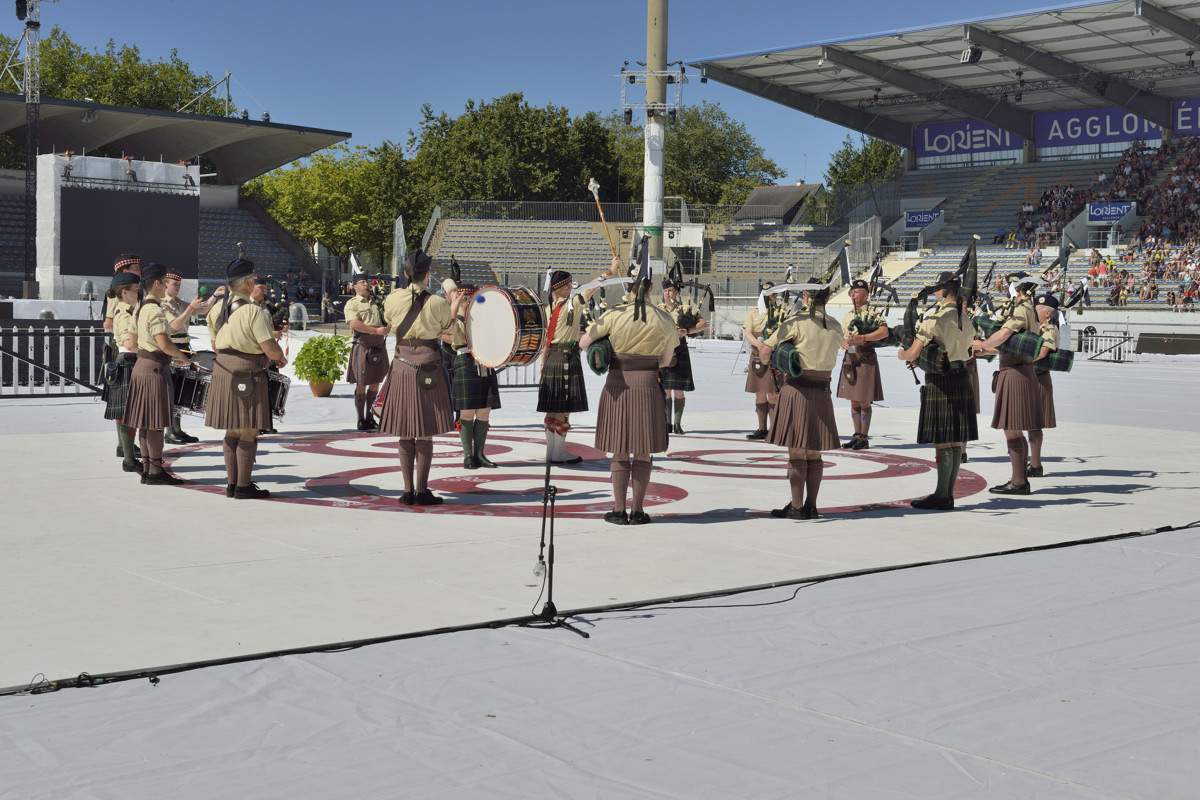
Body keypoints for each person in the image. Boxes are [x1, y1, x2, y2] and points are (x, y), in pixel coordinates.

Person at [578, 268, 677, 525]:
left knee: (620, 450)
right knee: (643, 451)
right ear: (651, 289)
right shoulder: (665, 319)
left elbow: (584, 343)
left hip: (618, 384)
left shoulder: (614, 315)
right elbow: (666, 361)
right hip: (648, 384)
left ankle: (619, 510)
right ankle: (640, 511)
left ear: (629, 290)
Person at [378, 251, 465, 506]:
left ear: (405, 274)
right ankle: (422, 491)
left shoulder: (392, 300)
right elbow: (450, 331)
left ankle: (407, 492)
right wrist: (456, 308)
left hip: (402, 365)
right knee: (425, 433)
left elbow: (390, 322)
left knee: (405, 432)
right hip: (429, 365)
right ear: (427, 274)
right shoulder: (438, 303)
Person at [758, 278, 844, 520]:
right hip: (822, 390)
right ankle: (812, 506)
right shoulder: (837, 325)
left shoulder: (796, 322)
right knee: (814, 452)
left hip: (797, 390)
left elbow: (765, 351)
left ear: (807, 297)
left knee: (797, 451)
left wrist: (773, 360)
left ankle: (796, 506)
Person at [205, 259, 288, 499]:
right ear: (249, 281)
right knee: (249, 430)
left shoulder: (219, 307)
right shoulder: (253, 310)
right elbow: (268, 346)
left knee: (232, 429)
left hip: (222, 367)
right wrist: (279, 358)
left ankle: (232, 484)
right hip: (246, 371)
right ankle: (243, 485)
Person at [897, 272, 978, 510]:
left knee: (942, 443)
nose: (934, 293)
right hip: (962, 377)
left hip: (941, 382)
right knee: (953, 442)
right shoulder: (965, 317)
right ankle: (947, 494)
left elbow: (912, 353)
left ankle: (942, 496)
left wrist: (903, 354)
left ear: (942, 292)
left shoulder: (935, 319)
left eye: (936, 290)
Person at [971, 273, 1044, 495]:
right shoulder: (1030, 310)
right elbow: (1011, 345)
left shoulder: (1022, 309)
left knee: (1011, 429)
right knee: (1014, 430)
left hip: (1015, 373)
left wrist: (982, 344)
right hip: (1019, 368)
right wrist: (983, 350)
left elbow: (1003, 335)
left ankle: (1019, 481)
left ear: (1019, 290)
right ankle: (1019, 479)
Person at [538, 261, 616, 464]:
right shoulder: (572, 304)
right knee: (563, 408)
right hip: (566, 357)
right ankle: (559, 452)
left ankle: (552, 452)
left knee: (551, 407)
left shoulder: (549, 308)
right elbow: (591, 288)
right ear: (564, 288)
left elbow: (546, 339)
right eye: (570, 286)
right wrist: (609, 271)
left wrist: (543, 362)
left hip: (552, 358)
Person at [124, 264, 190, 485]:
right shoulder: (155, 309)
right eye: (163, 281)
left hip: (141, 366)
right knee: (155, 423)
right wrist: (182, 357)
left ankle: (147, 469)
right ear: (157, 284)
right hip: (154, 368)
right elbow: (164, 343)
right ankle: (155, 472)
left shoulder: (140, 308)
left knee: (144, 422)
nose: (164, 286)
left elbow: (132, 344)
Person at [443, 277, 501, 469]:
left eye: (470, 299)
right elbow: (451, 331)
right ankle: (468, 455)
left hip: (485, 362)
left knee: (484, 411)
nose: (468, 302)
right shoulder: (455, 318)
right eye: (465, 299)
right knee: (466, 413)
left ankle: (480, 454)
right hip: (465, 362)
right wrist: (457, 304)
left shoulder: (483, 318)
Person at [160, 269, 222, 444]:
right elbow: (175, 325)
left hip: (184, 346)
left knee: (180, 390)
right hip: (172, 347)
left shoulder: (179, 302)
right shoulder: (163, 304)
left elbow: (202, 310)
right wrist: (190, 309)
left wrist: (214, 296)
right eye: (175, 284)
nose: (178, 287)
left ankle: (177, 429)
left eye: (180, 284)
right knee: (171, 390)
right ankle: (170, 430)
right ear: (165, 284)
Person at [837, 279, 889, 450]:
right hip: (851, 357)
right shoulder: (848, 315)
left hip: (865, 357)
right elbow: (843, 336)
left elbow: (883, 331)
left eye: (857, 292)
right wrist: (843, 343)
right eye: (852, 292)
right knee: (853, 400)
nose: (853, 294)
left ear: (866, 296)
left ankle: (864, 438)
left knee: (864, 400)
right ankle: (856, 435)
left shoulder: (873, 313)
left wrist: (863, 338)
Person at [656, 274, 707, 435]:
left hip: (679, 349)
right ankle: (666, 423)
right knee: (665, 390)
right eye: (665, 290)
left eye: (670, 290)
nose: (667, 293)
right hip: (663, 349)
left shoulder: (685, 309)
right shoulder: (657, 308)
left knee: (678, 390)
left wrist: (687, 331)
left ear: (677, 292)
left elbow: (703, 324)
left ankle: (677, 424)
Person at [104, 271, 143, 474]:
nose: (140, 293)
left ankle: (126, 451)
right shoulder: (125, 314)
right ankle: (129, 459)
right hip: (128, 361)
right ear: (125, 292)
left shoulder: (129, 310)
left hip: (128, 362)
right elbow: (130, 343)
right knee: (129, 414)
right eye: (136, 290)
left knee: (127, 413)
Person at [343, 275, 390, 432]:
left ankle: (370, 418)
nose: (365, 284)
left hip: (378, 345)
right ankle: (360, 419)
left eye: (366, 282)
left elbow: (387, 318)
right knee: (362, 383)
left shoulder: (377, 302)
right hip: (363, 344)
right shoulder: (352, 303)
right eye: (361, 283)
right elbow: (354, 323)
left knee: (376, 382)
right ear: (355, 287)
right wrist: (376, 330)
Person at [742, 281, 783, 440]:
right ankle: (762, 429)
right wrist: (760, 345)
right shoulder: (754, 312)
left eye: (773, 294)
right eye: (768, 294)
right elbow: (748, 332)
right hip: (757, 354)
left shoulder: (780, 312)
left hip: (774, 354)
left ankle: (774, 430)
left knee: (773, 394)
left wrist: (769, 346)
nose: (771, 297)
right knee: (759, 393)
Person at [1028, 295, 1061, 478]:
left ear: (1047, 313)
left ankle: (1035, 463)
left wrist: (1021, 360)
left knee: (1034, 423)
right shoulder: (1034, 326)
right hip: (1028, 377)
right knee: (1024, 421)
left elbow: (1042, 353)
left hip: (1038, 378)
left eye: (1038, 308)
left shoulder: (1049, 329)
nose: (1034, 310)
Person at [104, 253, 141, 333]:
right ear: (125, 271)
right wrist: (125, 338)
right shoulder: (117, 293)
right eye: (136, 268)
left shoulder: (133, 291)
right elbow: (108, 324)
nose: (139, 272)